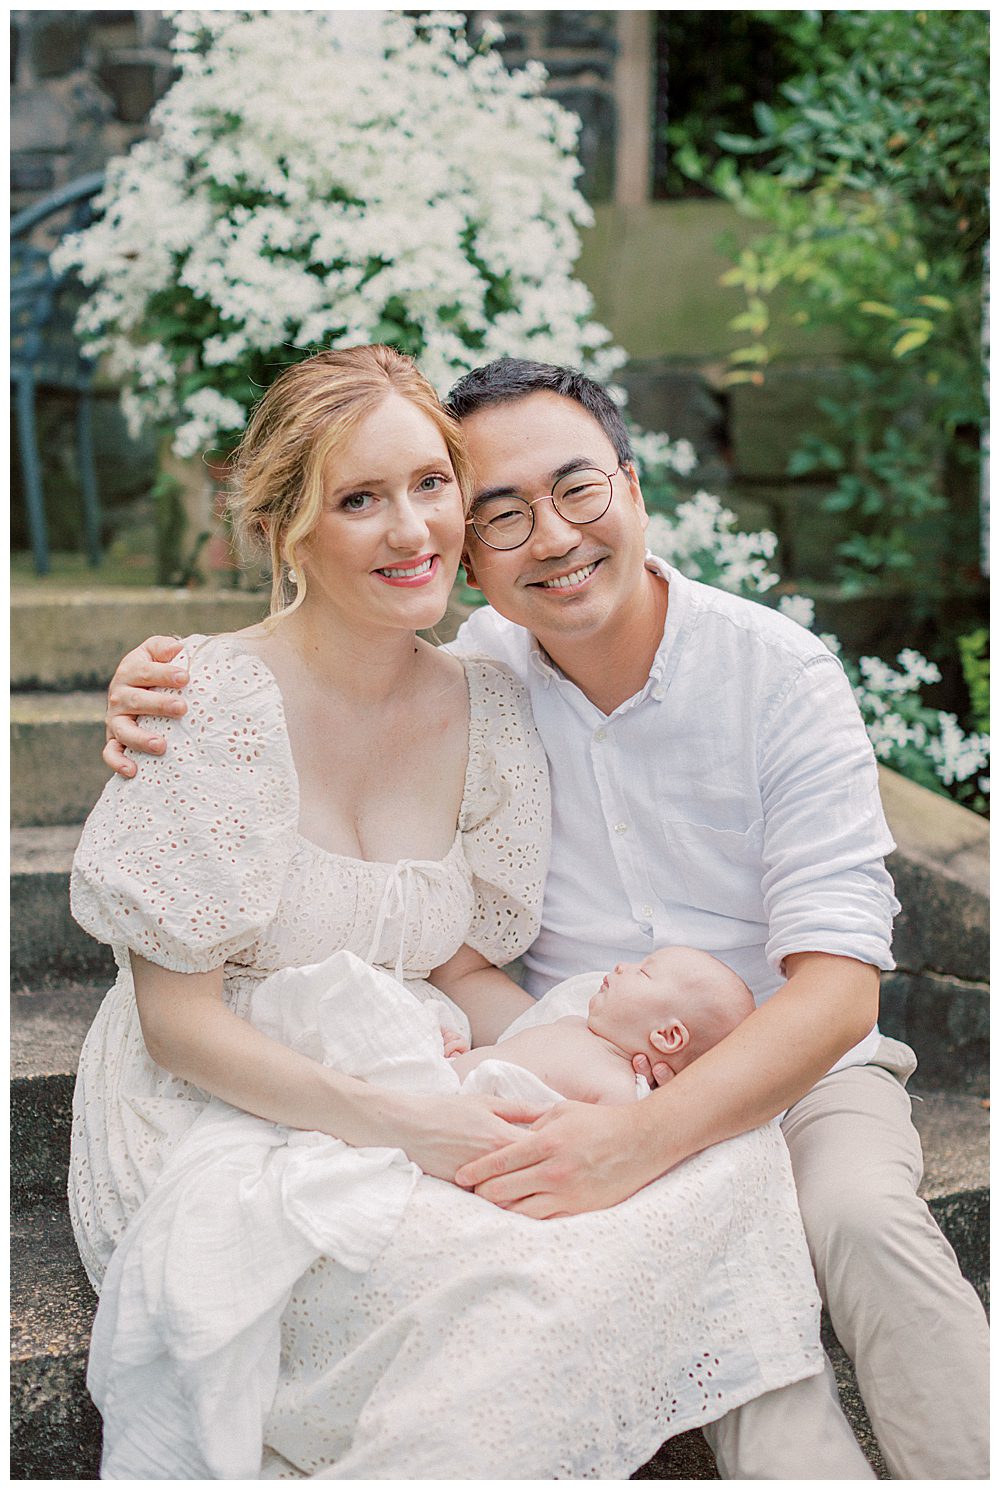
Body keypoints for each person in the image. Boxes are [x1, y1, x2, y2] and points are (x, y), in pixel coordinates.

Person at [106, 355, 988, 1480]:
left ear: (632, 486)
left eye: (577, 491)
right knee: (719, 1298)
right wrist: (153, 681)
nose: (553, 538)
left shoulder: (778, 674)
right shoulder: (484, 674)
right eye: (501, 514)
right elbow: (305, 678)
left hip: (788, 1056)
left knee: (859, 1222)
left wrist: (646, 1136)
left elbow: (838, 988)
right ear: (469, 553)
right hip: (564, 1049)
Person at [448, 945, 755, 1104]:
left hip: (461, 1114)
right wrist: (460, 1055)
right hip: (445, 1081)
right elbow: (506, 1055)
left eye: (644, 973)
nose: (623, 966)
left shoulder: (615, 1088)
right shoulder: (571, 1022)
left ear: (667, 1035)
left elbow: (575, 1142)